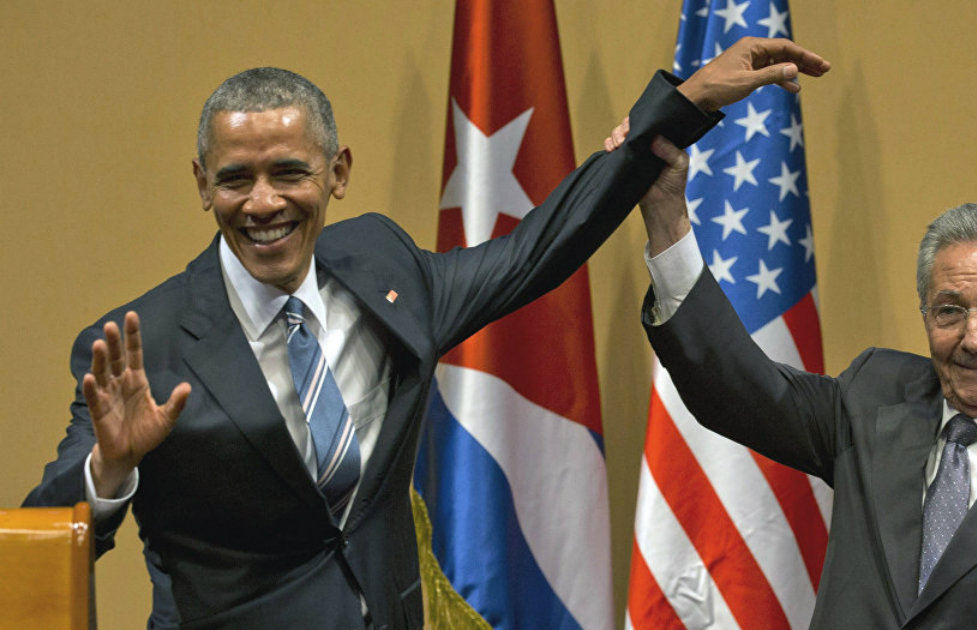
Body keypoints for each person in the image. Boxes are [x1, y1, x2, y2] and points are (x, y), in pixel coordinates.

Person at [23, 38, 831, 629]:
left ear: (336, 173)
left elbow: (534, 253)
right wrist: (110, 467)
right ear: (203, 185)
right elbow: (43, 545)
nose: (263, 202)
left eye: (289, 173)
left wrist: (684, 105)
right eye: (236, 178)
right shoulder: (142, 343)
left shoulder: (383, 266)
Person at [622, 137, 977, 628]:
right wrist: (669, 220)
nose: (972, 338)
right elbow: (737, 390)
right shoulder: (874, 399)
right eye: (948, 312)